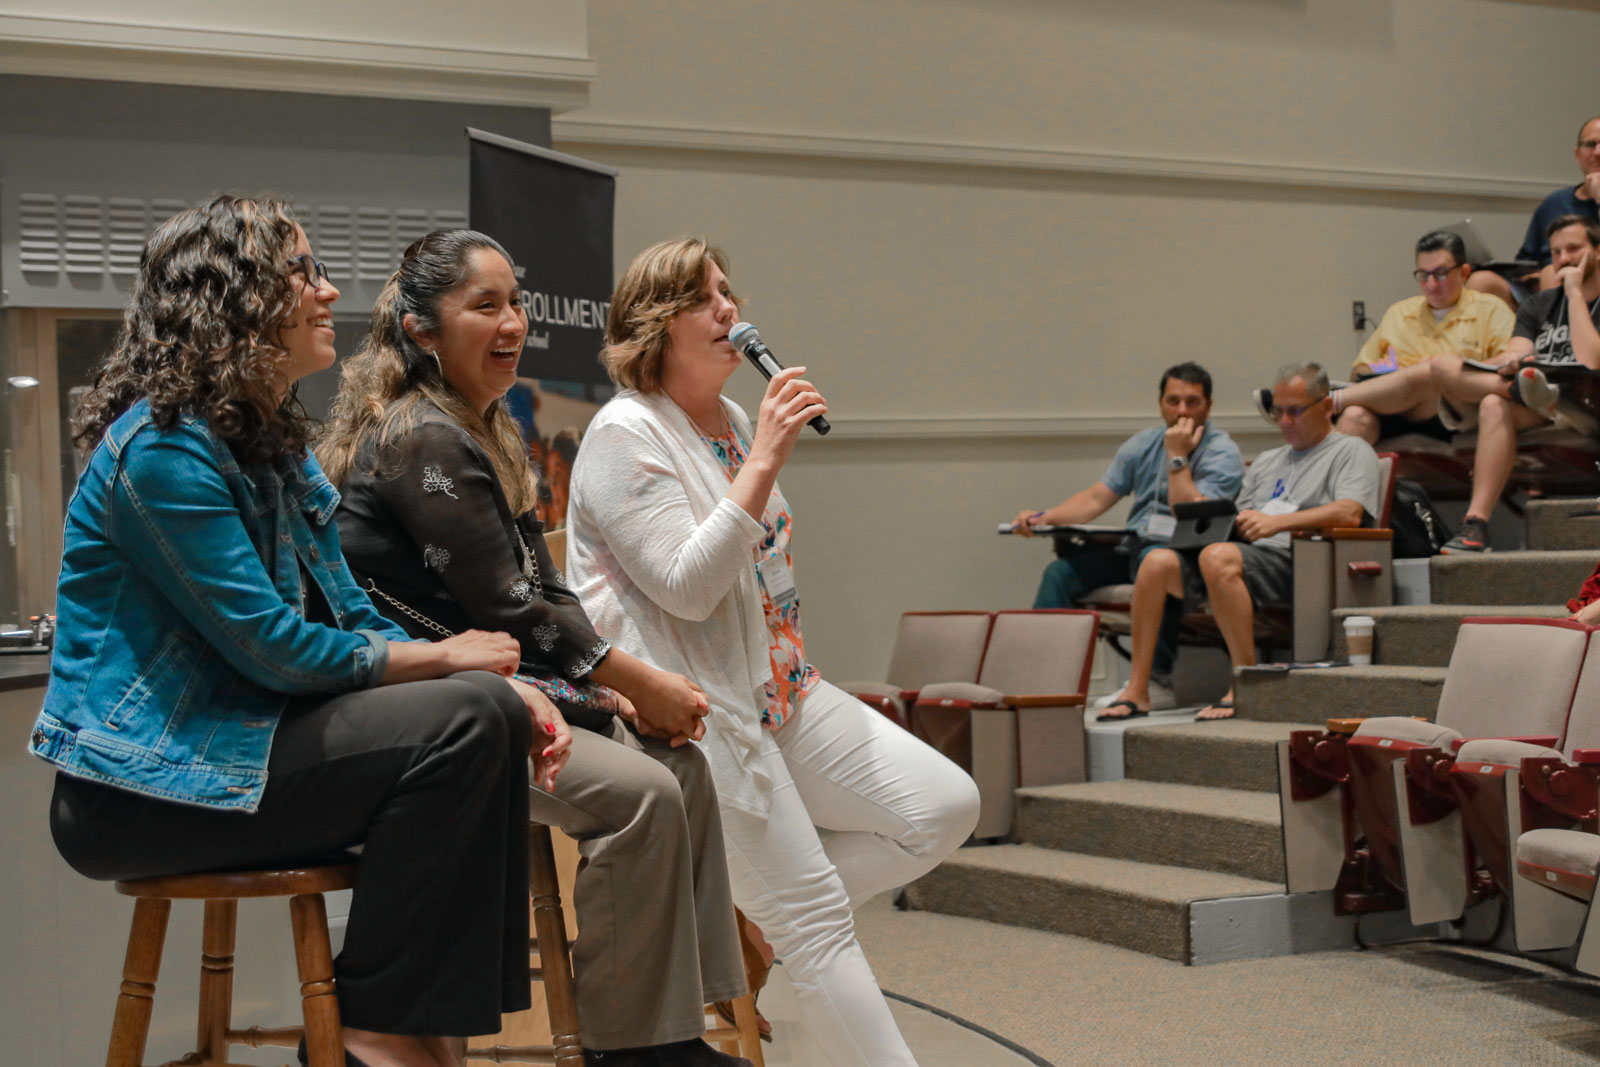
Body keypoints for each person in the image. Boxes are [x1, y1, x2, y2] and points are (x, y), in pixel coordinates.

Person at [31, 197, 537, 1067]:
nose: (328, 290)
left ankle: (421, 1032)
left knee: (485, 708)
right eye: (303, 271)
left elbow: (348, 611)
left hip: (237, 747)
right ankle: (374, 1030)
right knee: (464, 716)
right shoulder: (161, 450)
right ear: (233, 296)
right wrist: (451, 657)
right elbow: (272, 646)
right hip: (137, 791)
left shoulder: (270, 444)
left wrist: (489, 678)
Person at [317, 229, 752, 1067]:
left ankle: (673, 1026)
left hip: (499, 689)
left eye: (516, 301)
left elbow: (549, 593)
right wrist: (625, 676)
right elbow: (507, 606)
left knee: (684, 769)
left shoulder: (483, 425)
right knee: (645, 794)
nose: (513, 320)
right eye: (485, 304)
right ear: (421, 330)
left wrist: (608, 685)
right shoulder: (420, 435)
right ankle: (634, 1050)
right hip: (435, 718)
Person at [565, 237, 980, 1067]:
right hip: (700, 712)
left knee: (943, 805)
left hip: (784, 688)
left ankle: (762, 922)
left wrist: (754, 452)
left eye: (729, 291)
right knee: (822, 918)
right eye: (704, 297)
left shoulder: (735, 419)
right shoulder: (624, 435)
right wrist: (761, 464)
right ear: (655, 324)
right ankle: (790, 925)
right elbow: (686, 585)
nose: (731, 310)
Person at [1123, 363, 1379, 721]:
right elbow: (1238, 516)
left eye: (1295, 411)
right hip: (1250, 554)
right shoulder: (1268, 462)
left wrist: (1278, 523)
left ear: (1325, 407)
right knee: (1156, 562)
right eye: (1278, 411)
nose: (1285, 420)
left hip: (1305, 560)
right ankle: (1138, 689)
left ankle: (1243, 682)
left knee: (1218, 558)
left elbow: (1350, 512)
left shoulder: (1351, 451)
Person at [1009, 362, 1244, 715]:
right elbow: (1095, 499)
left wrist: (1177, 455)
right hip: (1132, 545)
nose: (1182, 411)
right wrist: (1042, 518)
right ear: (1160, 403)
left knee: (1155, 558)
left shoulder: (1221, 451)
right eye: (1173, 400)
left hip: (1186, 557)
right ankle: (1046, 685)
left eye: (1192, 402)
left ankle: (1156, 679)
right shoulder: (1143, 444)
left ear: (1208, 406)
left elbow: (1191, 514)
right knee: (1060, 573)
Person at [1442, 215, 1600, 553]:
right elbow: (1518, 348)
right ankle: (1475, 525)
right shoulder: (1538, 304)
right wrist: (1511, 361)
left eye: (1574, 249)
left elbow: (1592, 360)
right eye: (1556, 252)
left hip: (1591, 403)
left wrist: (1573, 294)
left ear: (1597, 251)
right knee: (1491, 403)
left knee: (1555, 388)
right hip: (1541, 400)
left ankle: (1539, 392)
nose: (1564, 259)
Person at [1321, 231, 1516, 447]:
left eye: (1441, 273)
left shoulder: (1491, 309)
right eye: (1423, 275)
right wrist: (1395, 376)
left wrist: (1444, 371)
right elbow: (1359, 372)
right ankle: (1333, 479)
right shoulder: (1399, 312)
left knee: (1431, 371)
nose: (1431, 284)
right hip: (1393, 413)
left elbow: (1506, 364)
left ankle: (1328, 402)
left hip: (1452, 413)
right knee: (1354, 416)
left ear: (1464, 272)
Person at [1469, 115, 1600, 309]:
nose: (1598, 152)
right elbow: (1527, 261)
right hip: (1545, 284)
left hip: (1587, 281)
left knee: (1550, 274)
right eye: (1591, 145)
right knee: (1480, 281)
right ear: (1578, 154)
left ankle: (1554, 337)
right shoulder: (1555, 202)